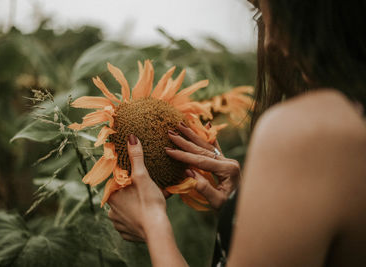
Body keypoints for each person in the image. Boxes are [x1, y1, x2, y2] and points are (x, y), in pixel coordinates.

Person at [107, 0, 366, 266]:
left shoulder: (307, 130)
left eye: (262, 11)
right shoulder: (350, 121)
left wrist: (152, 222)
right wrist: (242, 204)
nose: (267, 40)